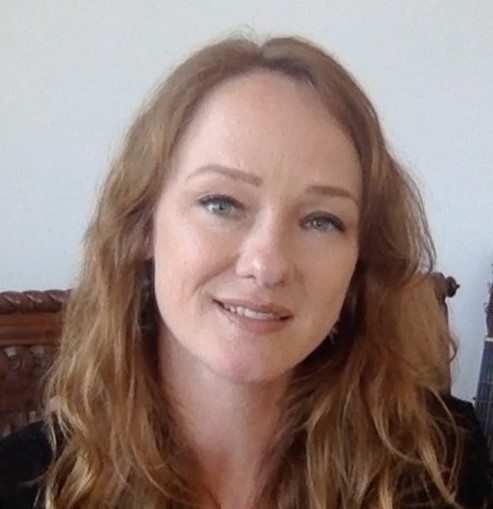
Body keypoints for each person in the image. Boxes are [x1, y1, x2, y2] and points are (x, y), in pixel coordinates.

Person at [0, 35, 491, 509]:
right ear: (143, 226)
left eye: (321, 220)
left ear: (360, 262)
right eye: (222, 203)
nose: (267, 264)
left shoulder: (442, 464)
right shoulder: (20, 483)